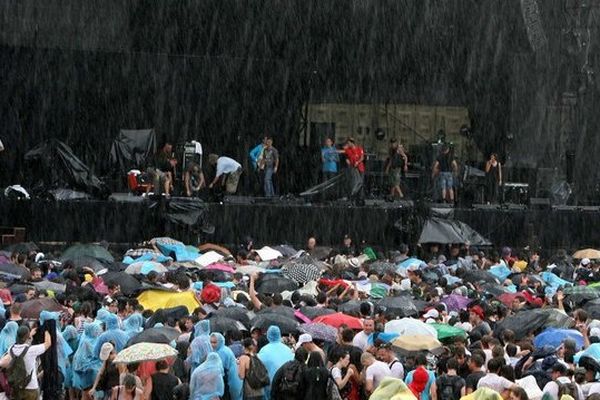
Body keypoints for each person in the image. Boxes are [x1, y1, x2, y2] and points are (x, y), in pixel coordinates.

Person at [8, 324, 52, 400]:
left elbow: (21, 346)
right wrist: (47, 330)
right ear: (27, 337)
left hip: (17, 387)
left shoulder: (10, 349)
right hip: (31, 387)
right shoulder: (31, 350)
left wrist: (29, 335)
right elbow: (48, 344)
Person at [257, 326, 294, 400]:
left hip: (270, 388)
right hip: (287, 386)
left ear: (268, 336)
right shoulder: (288, 350)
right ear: (279, 335)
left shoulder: (264, 350)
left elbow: (258, 369)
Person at [210, 332, 243, 400]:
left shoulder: (222, 352)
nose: (212, 344)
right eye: (211, 342)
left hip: (231, 380)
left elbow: (219, 369)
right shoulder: (221, 349)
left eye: (215, 342)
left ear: (220, 341)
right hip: (233, 379)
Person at [343, 138, 365, 205]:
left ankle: (360, 198)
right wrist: (348, 161)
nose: (348, 144)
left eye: (349, 143)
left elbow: (362, 157)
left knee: (360, 183)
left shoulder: (359, 148)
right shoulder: (348, 150)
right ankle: (353, 197)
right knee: (354, 183)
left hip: (360, 168)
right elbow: (346, 157)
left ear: (352, 143)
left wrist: (358, 162)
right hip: (353, 169)